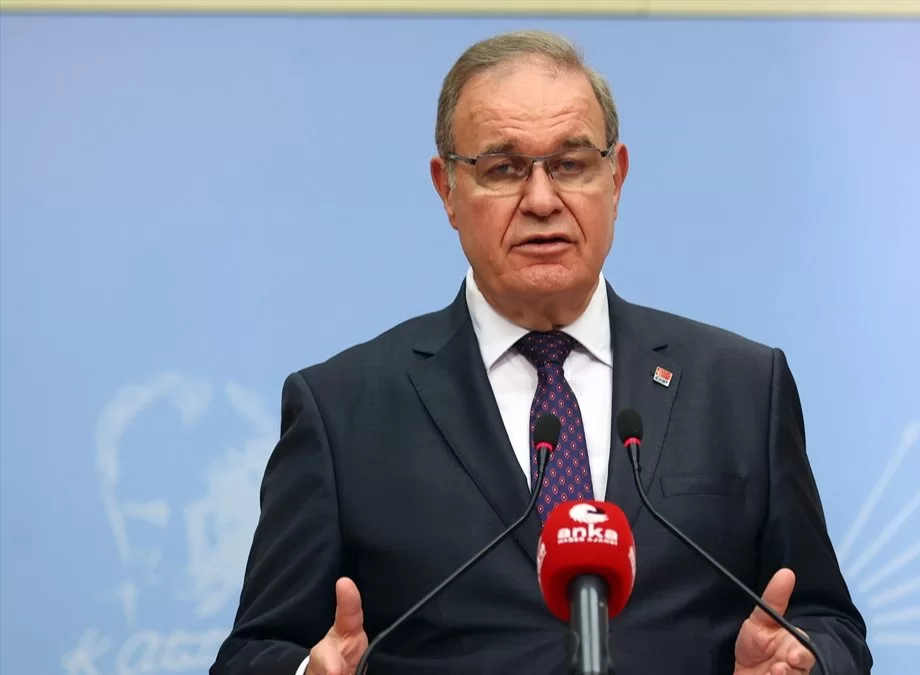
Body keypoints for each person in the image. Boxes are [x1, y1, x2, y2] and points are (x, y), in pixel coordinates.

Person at [210, 29, 870, 675]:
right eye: (502, 169)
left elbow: (828, 621)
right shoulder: (342, 410)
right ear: (447, 189)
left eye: (571, 164)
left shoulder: (741, 388)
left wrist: (802, 663)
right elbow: (254, 650)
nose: (543, 200)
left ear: (617, 177)